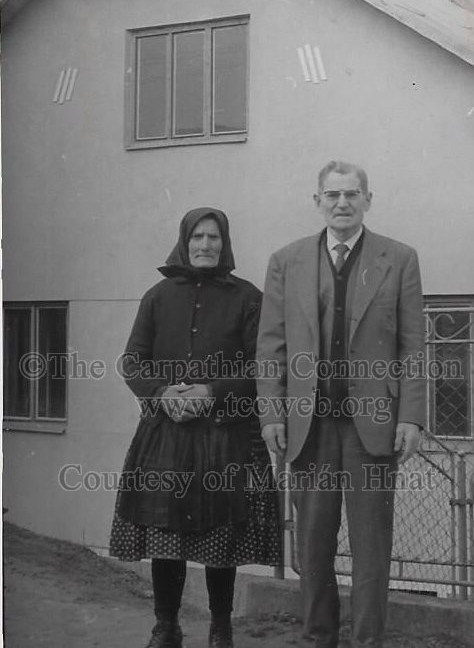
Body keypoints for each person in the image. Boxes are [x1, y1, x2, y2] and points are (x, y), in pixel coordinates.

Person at [256, 161, 426, 648]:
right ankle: (318, 639)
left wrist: (411, 417)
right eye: (332, 195)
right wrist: (272, 415)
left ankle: (368, 641)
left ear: (368, 199)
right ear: (318, 201)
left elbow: (413, 346)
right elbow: (271, 347)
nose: (342, 203)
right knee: (312, 547)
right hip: (308, 428)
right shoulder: (286, 261)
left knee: (372, 549)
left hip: (371, 426)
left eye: (352, 194)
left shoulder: (399, 258)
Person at [109, 207, 281, 648]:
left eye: (214, 237)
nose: (206, 245)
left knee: (220, 537)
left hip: (225, 434)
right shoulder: (157, 296)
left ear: (225, 243)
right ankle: (166, 626)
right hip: (167, 434)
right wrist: (162, 393)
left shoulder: (248, 298)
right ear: (185, 243)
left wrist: (210, 392)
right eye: (198, 237)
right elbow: (132, 361)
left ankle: (220, 627)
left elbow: (261, 366)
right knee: (166, 535)